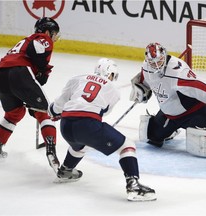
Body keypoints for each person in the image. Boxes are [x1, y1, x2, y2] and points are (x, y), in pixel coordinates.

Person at [48, 58, 156, 202]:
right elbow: (103, 112)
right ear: (109, 73)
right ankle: (134, 186)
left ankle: (66, 170)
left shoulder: (77, 79)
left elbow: (58, 105)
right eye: (113, 75)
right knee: (127, 145)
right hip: (87, 125)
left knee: (80, 144)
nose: (113, 78)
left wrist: (53, 112)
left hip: (66, 125)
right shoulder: (113, 89)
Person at [0, 17, 61, 172]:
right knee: (45, 112)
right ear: (47, 31)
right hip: (19, 73)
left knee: (14, 112)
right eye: (53, 33)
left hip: (0, 76)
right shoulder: (42, 38)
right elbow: (38, 50)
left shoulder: (23, 41)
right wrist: (43, 68)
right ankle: (51, 152)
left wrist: (39, 72)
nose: (54, 37)